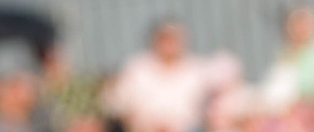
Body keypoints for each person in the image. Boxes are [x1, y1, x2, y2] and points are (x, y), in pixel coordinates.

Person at [101, 21, 241, 132]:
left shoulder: (197, 69)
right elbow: (118, 104)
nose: (169, 45)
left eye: (173, 39)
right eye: (165, 39)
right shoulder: (137, 68)